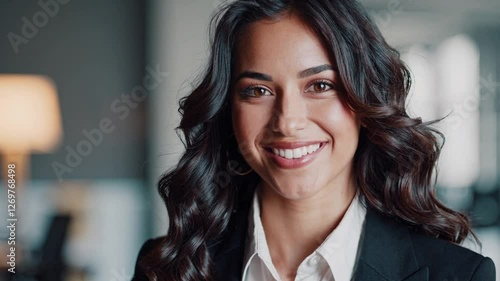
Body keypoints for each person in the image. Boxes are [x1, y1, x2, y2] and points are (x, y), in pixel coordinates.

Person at [132, 0, 496, 280]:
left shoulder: (458, 275)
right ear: (229, 108)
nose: (288, 122)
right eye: (258, 90)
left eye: (320, 86)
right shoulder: (167, 267)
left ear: (364, 101)